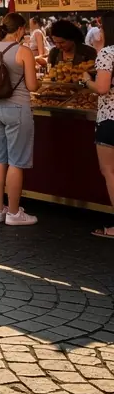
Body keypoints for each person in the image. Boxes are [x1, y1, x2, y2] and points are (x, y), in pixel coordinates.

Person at [0, 13, 39, 226]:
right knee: (16, 162)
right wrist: (39, 82)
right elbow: (33, 86)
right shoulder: (23, 51)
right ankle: (14, 213)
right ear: (21, 29)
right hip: (17, 108)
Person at [84, 14, 114, 238]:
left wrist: (86, 80)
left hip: (110, 121)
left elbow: (102, 88)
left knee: (111, 173)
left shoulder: (107, 53)